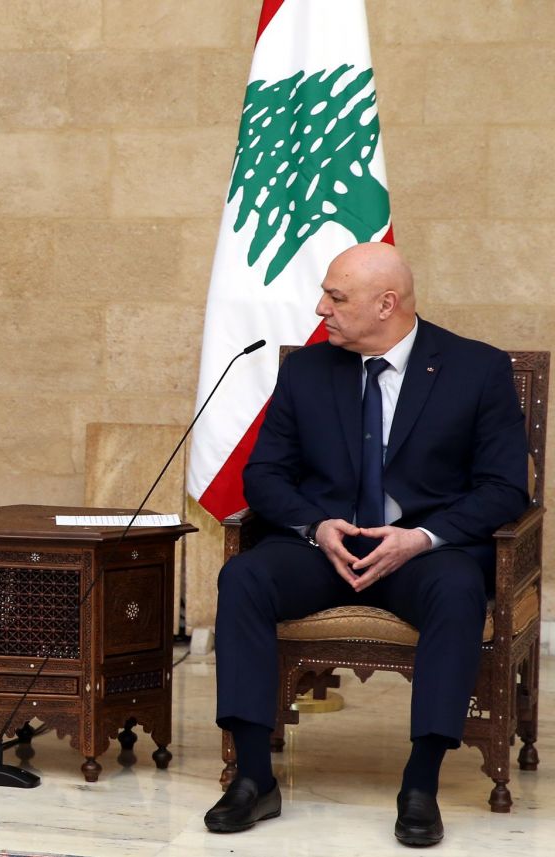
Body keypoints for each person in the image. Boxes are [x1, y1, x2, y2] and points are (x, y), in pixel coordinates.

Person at [205, 243, 529, 846]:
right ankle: (253, 777)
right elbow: (265, 475)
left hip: (422, 553)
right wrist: (315, 526)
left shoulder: (476, 369)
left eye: (336, 297)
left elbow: (506, 488)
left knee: (458, 589)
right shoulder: (306, 370)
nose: (320, 308)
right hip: (322, 549)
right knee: (244, 577)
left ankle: (420, 784)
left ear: (386, 304)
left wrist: (420, 538)